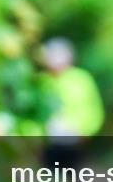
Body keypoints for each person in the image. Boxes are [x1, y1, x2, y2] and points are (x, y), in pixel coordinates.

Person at [40, 37, 105, 169]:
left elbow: (93, 109)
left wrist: (86, 132)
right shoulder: (42, 81)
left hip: (74, 140)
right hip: (49, 142)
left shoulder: (81, 79)